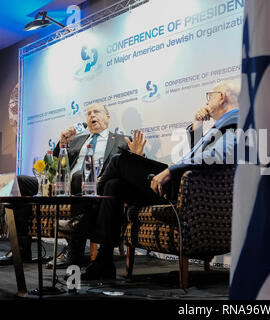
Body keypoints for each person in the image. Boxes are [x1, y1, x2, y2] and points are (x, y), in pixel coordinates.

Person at [81, 80, 240, 280]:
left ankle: (86, 210)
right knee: (114, 185)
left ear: (222, 97)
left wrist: (170, 170)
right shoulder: (223, 125)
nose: (207, 100)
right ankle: (103, 261)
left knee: (120, 161)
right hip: (186, 185)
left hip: (185, 188)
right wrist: (197, 125)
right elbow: (198, 153)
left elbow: (216, 155)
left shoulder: (237, 122)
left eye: (211, 95)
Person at [0, 103, 129, 268]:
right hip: (60, 183)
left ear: (108, 117)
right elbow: (54, 163)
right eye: (88, 113)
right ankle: (20, 249)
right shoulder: (77, 140)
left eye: (96, 112)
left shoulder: (121, 140)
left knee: (77, 177)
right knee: (18, 181)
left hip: (92, 185)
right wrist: (62, 143)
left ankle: (73, 251)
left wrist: (139, 154)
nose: (91, 116)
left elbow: (129, 165)